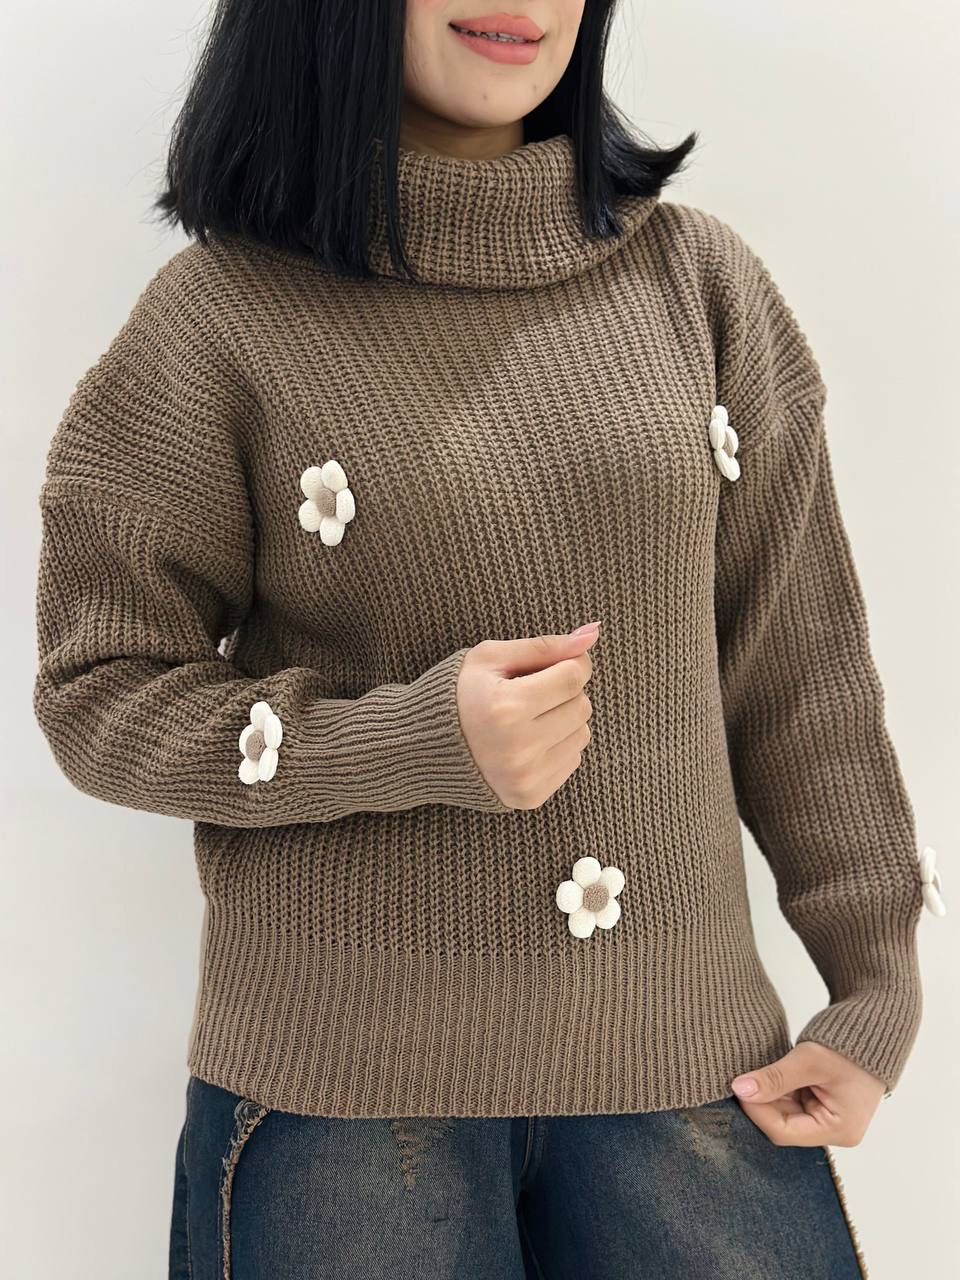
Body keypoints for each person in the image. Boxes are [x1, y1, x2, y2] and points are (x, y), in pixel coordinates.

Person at [31, 2, 946, 1277]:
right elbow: (99, 688)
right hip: (338, 1104)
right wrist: (404, 741)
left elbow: (800, 672)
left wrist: (874, 984)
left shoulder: (700, 284)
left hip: (694, 1071)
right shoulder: (217, 320)